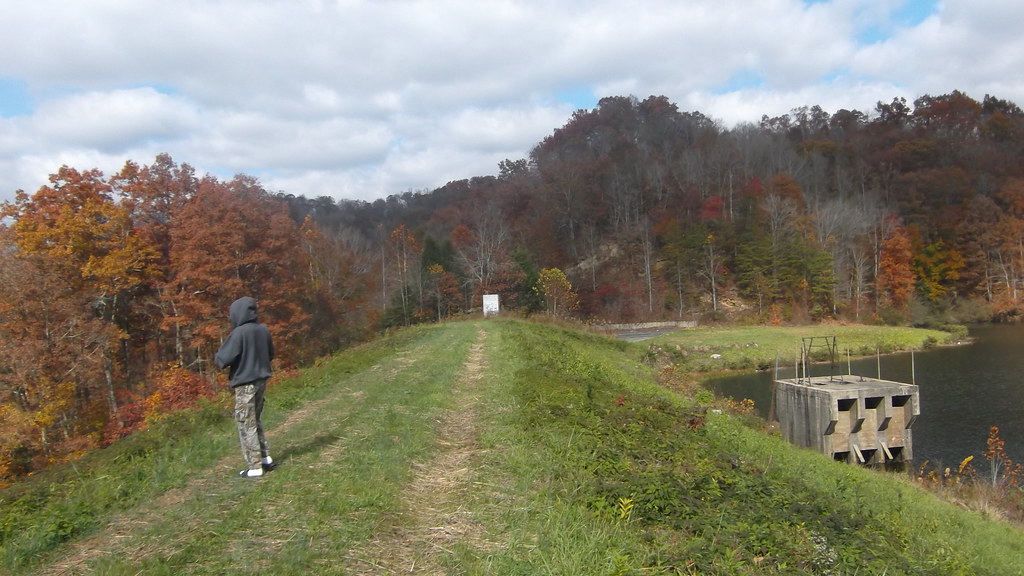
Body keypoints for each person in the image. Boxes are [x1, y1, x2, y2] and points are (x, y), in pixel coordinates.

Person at [215, 296, 277, 478]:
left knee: (245, 423)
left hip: (245, 384)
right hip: (261, 381)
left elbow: (222, 360)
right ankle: (265, 458)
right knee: (255, 420)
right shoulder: (263, 330)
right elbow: (271, 354)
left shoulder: (239, 333)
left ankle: (254, 466)